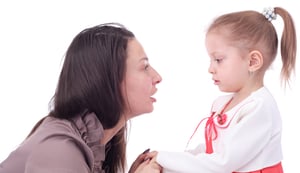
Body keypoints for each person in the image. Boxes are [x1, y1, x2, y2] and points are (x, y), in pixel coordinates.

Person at [0, 23, 162, 173]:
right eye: (144, 67)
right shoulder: (59, 150)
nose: (157, 77)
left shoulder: (94, 147)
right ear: (107, 78)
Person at [153, 6, 296, 173]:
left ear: (252, 62)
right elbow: (212, 152)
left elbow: (221, 163)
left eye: (218, 59)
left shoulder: (259, 108)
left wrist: (163, 159)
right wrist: (166, 163)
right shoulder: (224, 103)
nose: (210, 69)